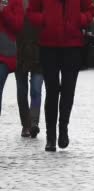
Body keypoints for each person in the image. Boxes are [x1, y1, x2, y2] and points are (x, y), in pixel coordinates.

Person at [27, 0, 94, 151]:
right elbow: (31, 12)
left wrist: (80, 19)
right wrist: (45, 19)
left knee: (68, 91)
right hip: (48, 46)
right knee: (51, 91)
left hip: (73, 47)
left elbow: (90, 10)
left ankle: (63, 129)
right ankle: (50, 136)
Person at [15, 0, 42, 138]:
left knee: (36, 89)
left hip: (39, 52)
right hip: (19, 52)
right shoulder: (15, 3)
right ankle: (25, 124)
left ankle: (34, 123)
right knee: (22, 91)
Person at [0, 0, 24, 132]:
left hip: (4, 55)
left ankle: (28, 123)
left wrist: (4, 11)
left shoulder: (15, 2)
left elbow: (17, 25)